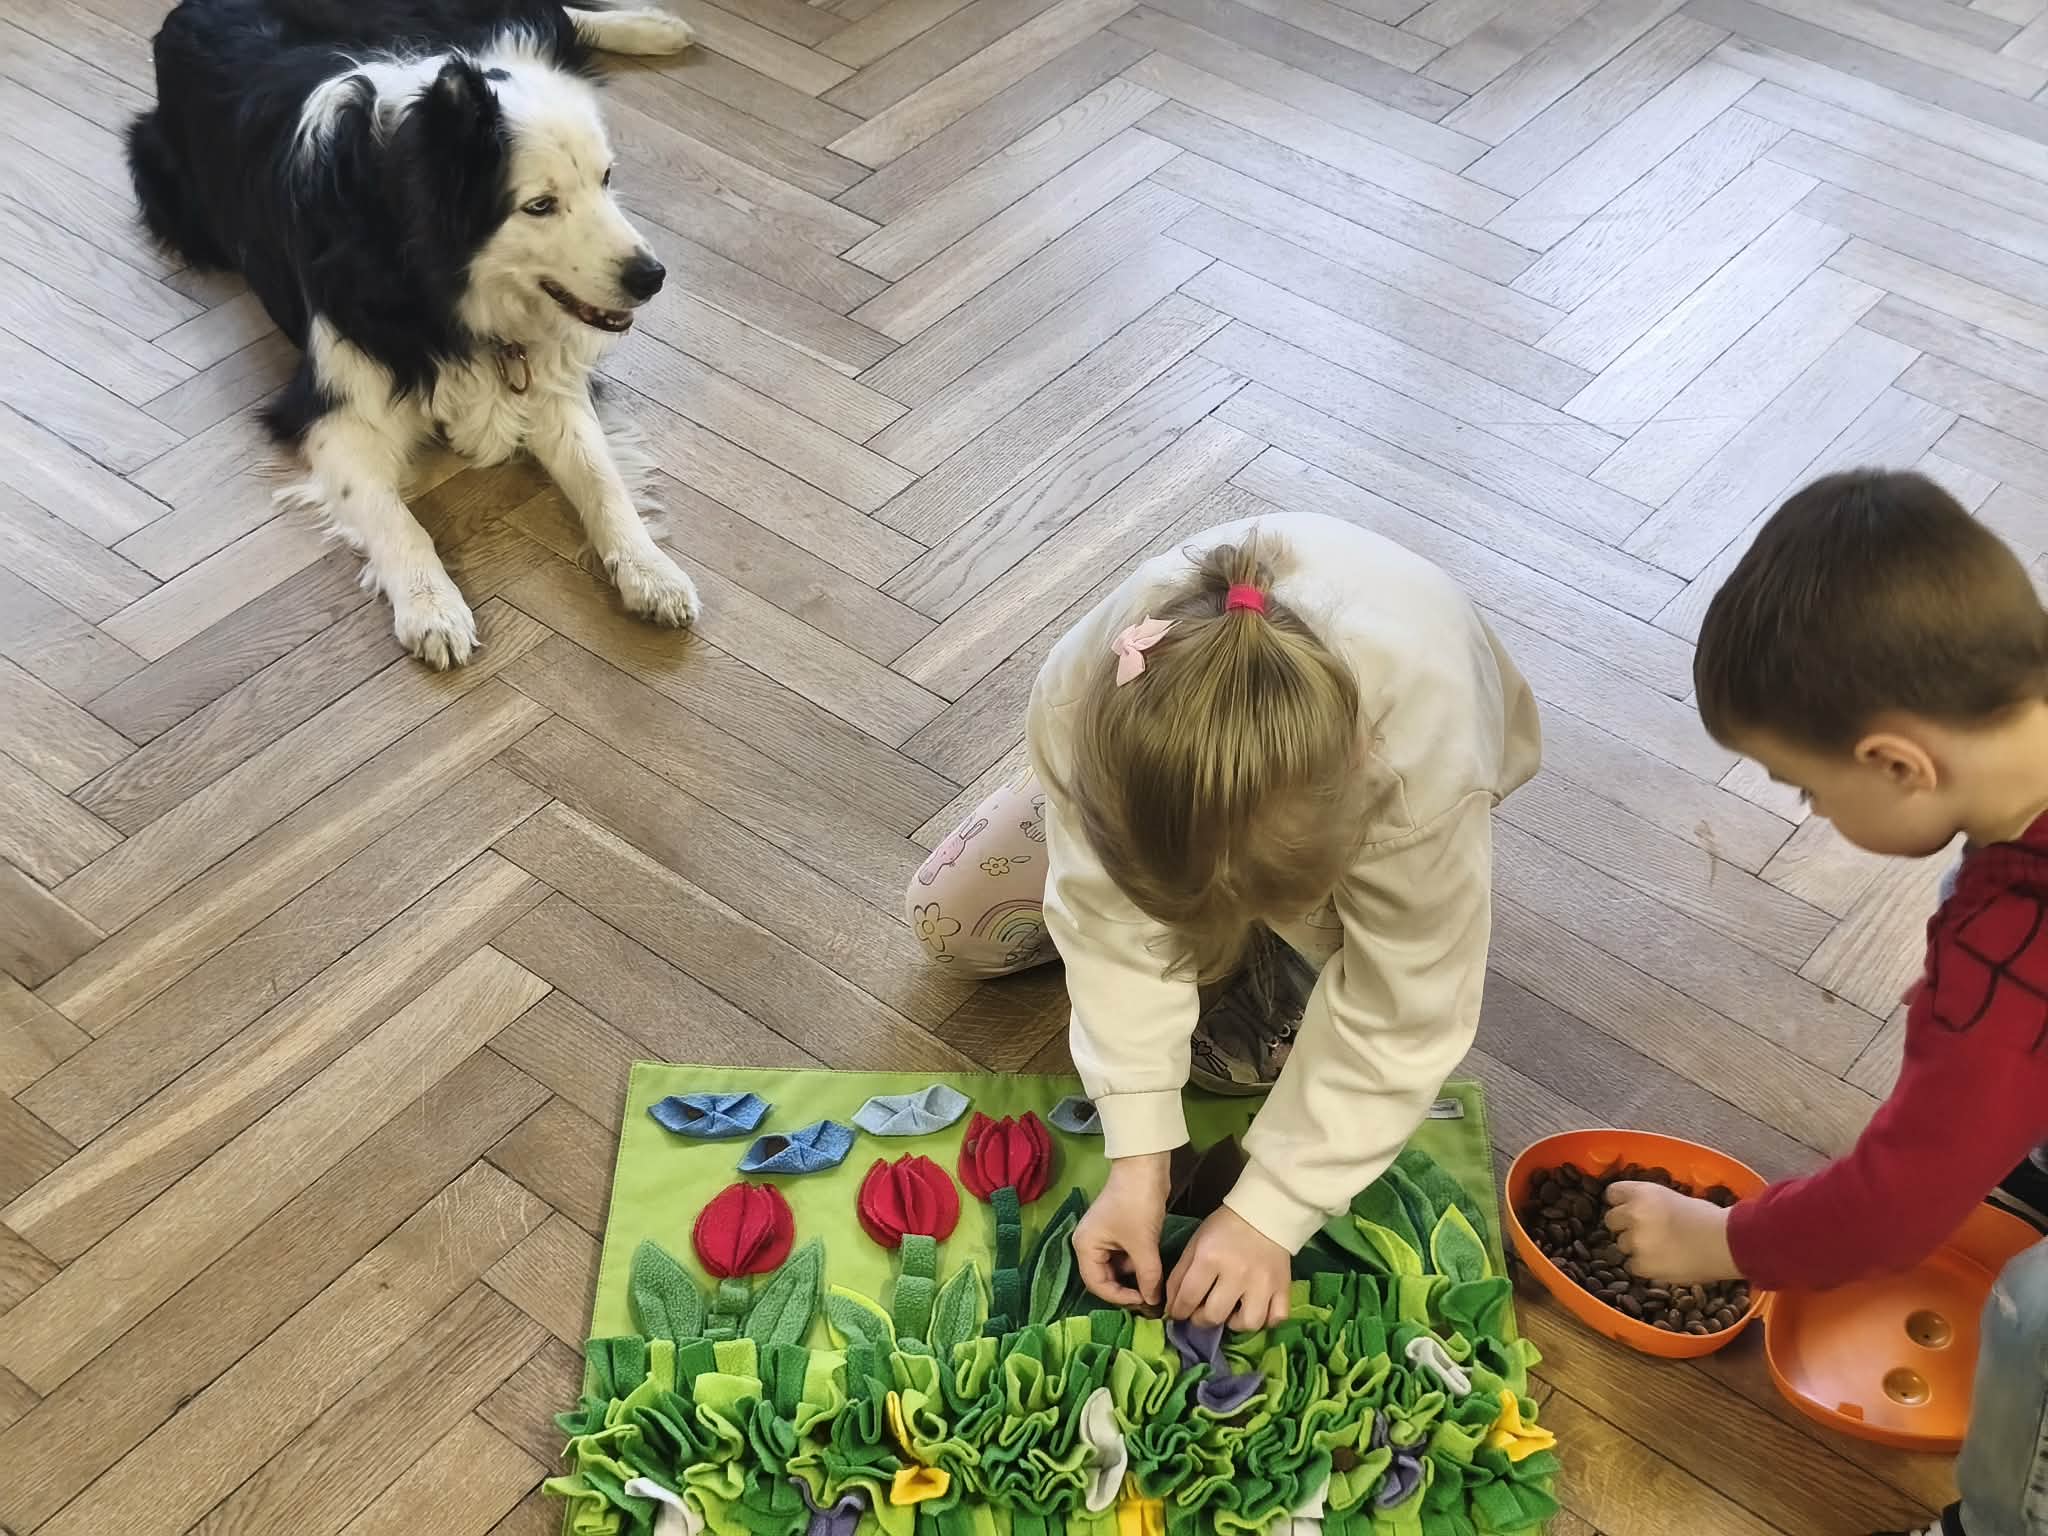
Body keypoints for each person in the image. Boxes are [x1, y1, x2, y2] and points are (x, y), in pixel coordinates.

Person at [904, 511, 1540, 1331]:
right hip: (1161, 757)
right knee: (950, 923)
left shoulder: (1419, 786)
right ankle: (1193, 873)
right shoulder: (1079, 693)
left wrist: (1270, 1212)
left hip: (1396, 775)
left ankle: (1263, 921)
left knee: (1233, 1064)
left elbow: (1404, 1011)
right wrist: (1138, 1154)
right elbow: (1102, 920)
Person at [1603, 471, 2048, 1536]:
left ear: (1895, 763)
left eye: (1804, 787)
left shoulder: (2006, 946)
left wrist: (1725, 1241)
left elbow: (1896, 1204)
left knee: (2036, 1333)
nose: (1807, 810)